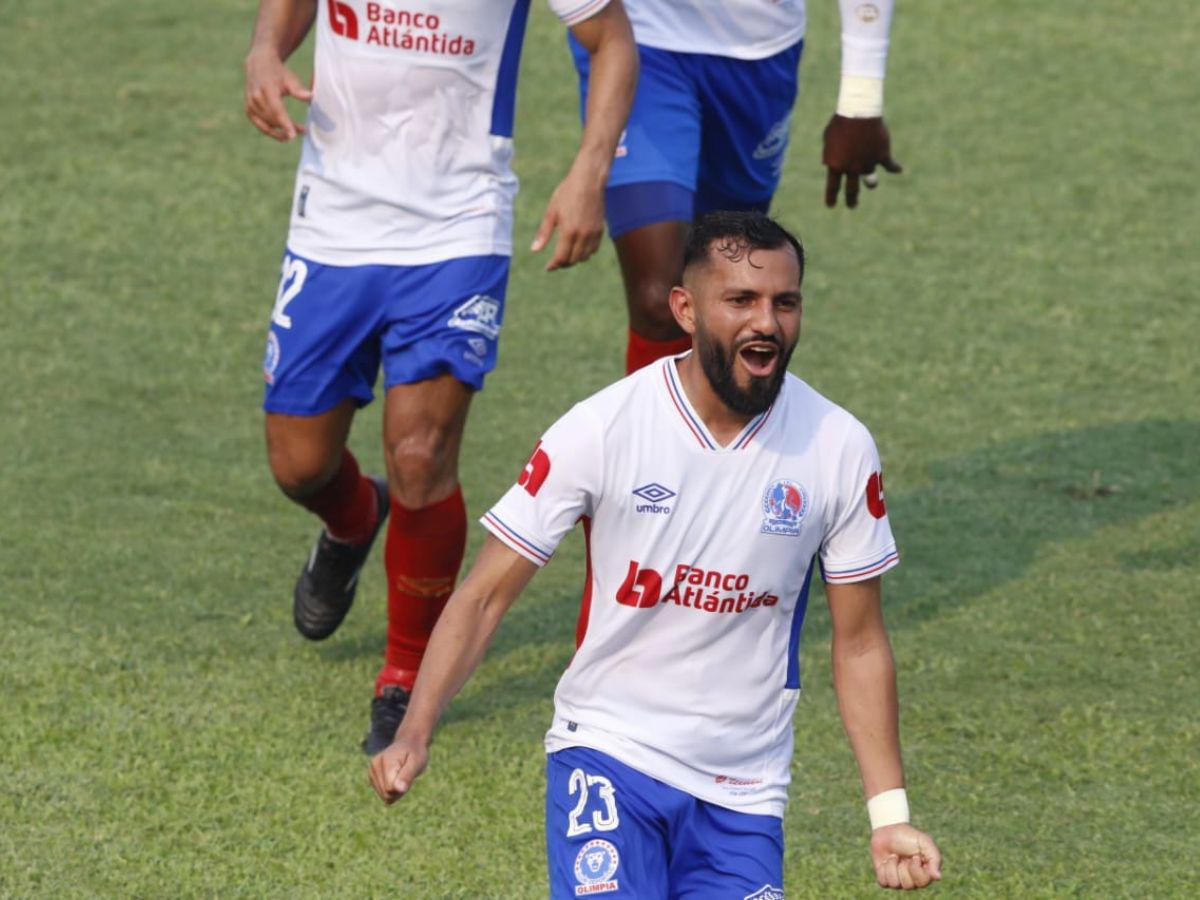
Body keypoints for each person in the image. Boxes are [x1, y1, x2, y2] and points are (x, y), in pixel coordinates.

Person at [368, 211, 942, 894]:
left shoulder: (837, 447)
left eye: (784, 303)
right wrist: (416, 729)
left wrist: (888, 815)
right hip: (609, 751)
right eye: (741, 300)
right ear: (686, 309)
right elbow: (486, 593)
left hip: (745, 791)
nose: (766, 322)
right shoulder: (605, 428)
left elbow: (859, 644)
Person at [242, 0, 636, 753]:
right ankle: (354, 520)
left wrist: (590, 169)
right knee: (298, 464)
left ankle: (406, 673)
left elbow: (611, 36)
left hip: (458, 225)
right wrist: (265, 51)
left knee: (422, 455)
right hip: (332, 222)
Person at [567, 0, 904, 374]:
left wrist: (861, 101)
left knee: (731, 288)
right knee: (659, 300)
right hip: (641, 38)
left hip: (759, 51)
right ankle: (655, 431)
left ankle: (725, 428)